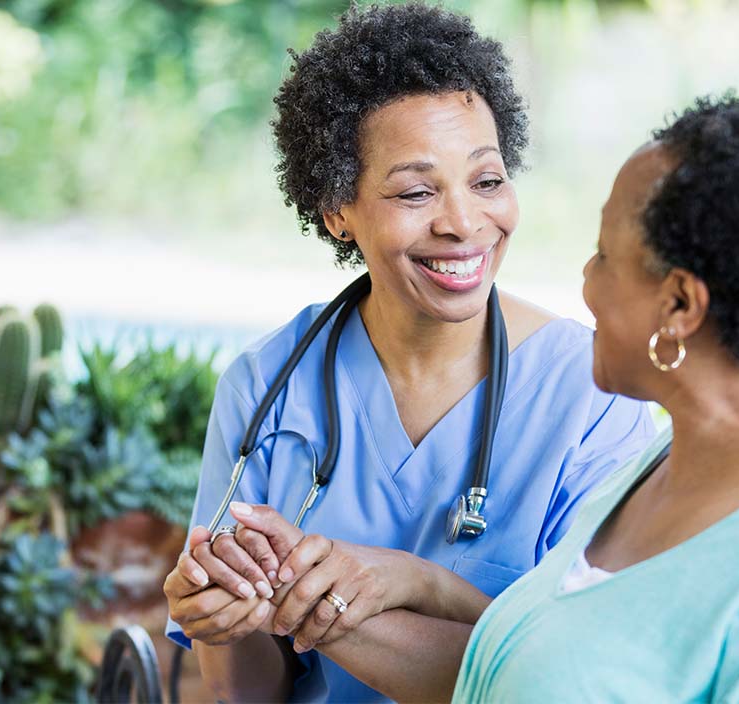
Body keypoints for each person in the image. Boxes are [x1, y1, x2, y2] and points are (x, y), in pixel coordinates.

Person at [162, 3, 653, 701]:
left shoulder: (594, 394)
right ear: (337, 208)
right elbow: (247, 694)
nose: (462, 223)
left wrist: (404, 587)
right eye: (417, 191)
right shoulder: (267, 386)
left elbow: (585, 676)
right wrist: (227, 616)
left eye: (487, 180)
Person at [454, 92, 739, 701]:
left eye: (606, 256)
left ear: (681, 305)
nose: (586, 280)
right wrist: (397, 591)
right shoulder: (673, 456)